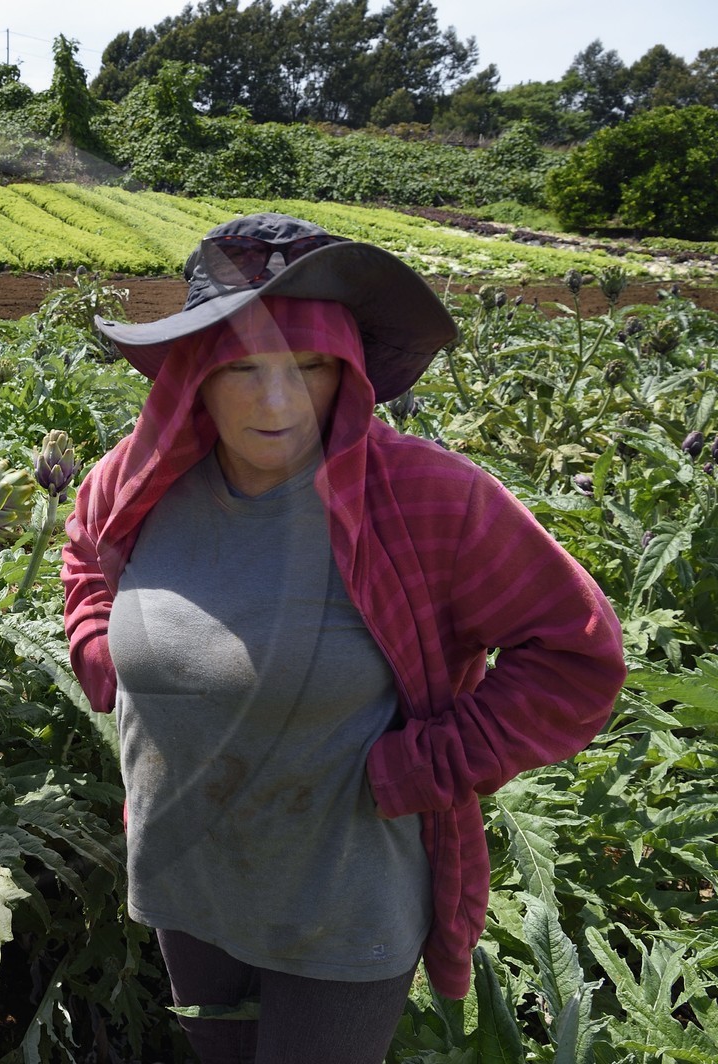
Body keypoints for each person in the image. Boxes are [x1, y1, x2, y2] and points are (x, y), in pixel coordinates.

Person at [61, 213, 625, 1063]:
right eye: (244, 369)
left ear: (349, 372)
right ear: (194, 373)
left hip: (342, 900)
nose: (279, 403)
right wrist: (103, 654)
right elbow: (84, 554)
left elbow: (577, 653)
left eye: (311, 368)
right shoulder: (139, 478)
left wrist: (424, 765)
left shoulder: (431, 501)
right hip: (188, 879)